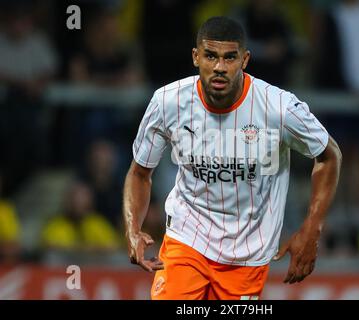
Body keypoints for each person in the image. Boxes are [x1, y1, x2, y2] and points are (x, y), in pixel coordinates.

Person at [123, 16, 342, 300]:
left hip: (246, 254)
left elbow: (329, 155)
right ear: (195, 57)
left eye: (230, 58)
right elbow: (140, 172)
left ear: (245, 60)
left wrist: (312, 228)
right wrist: (132, 228)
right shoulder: (168, 102)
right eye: (211, 56)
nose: (219, 67)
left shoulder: (279, 108)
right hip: (187, 238)